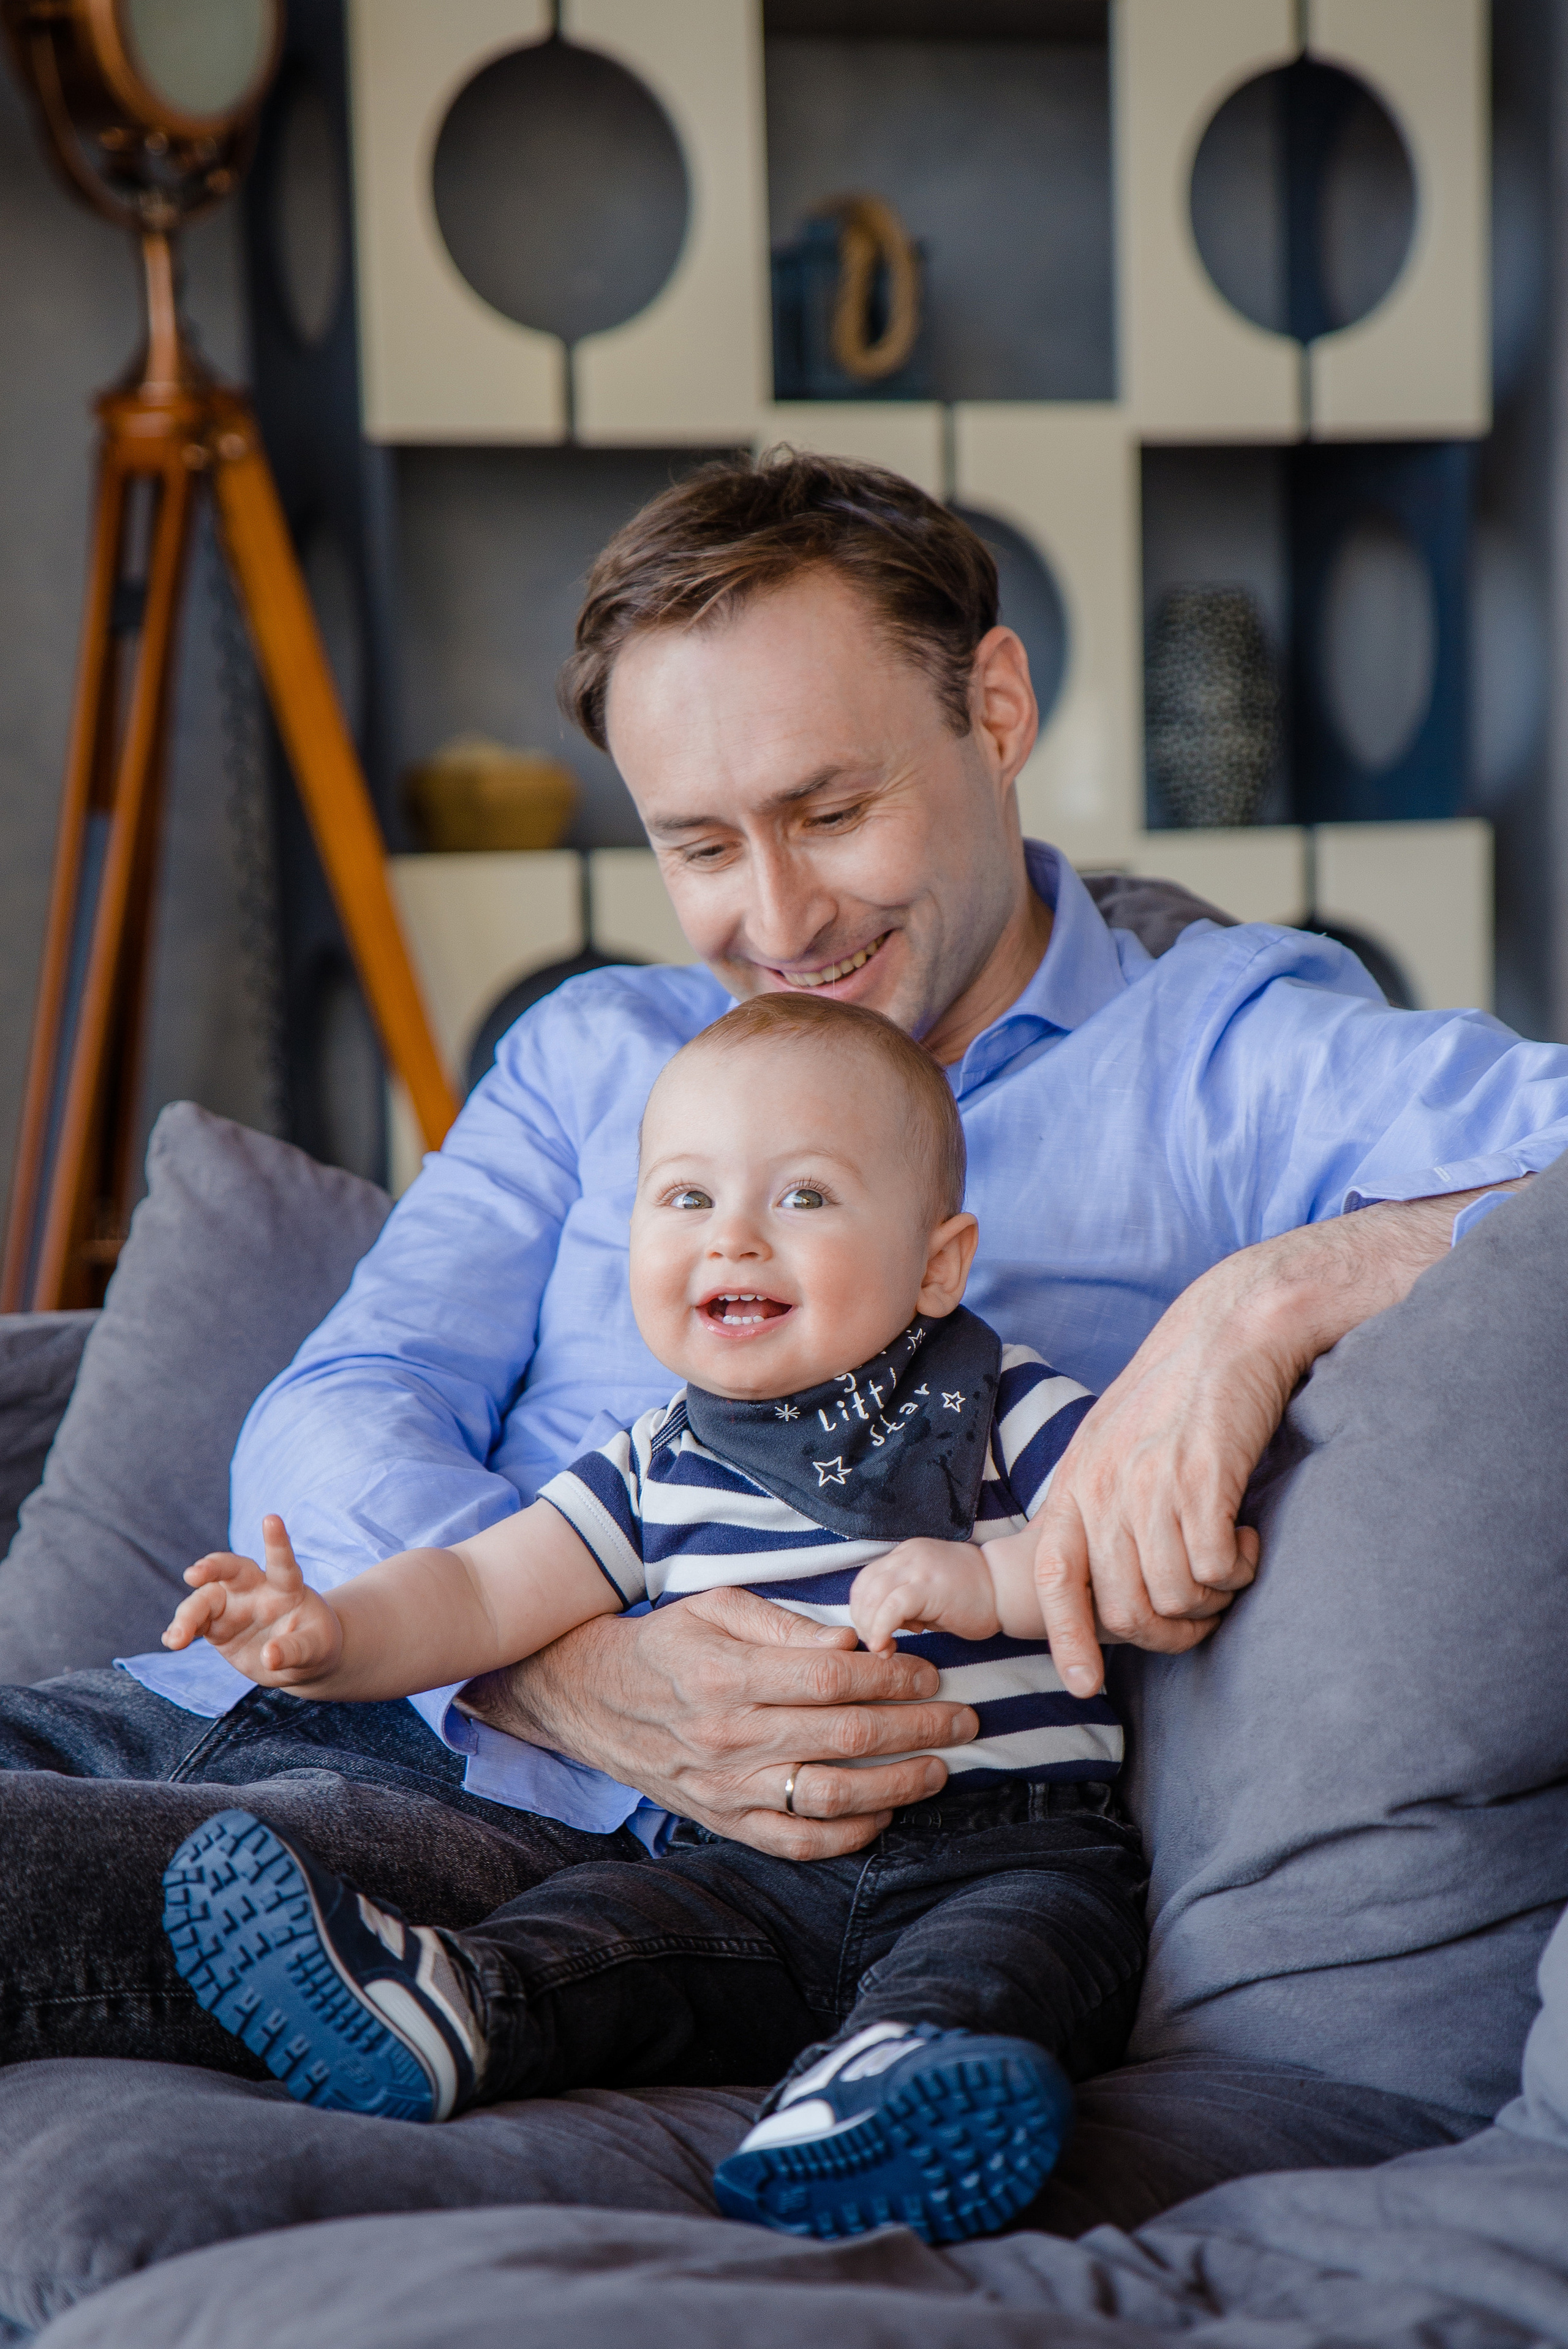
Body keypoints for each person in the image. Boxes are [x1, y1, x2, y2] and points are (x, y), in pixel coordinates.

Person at [2, 450, 1567, 2227]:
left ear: (993, 706)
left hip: (579, 1858)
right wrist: (556, 1658)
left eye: (829, 810)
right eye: (699, 845)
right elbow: (346, 1398)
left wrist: (1272, 1295)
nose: (778, 918)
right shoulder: (601, 1050)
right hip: (313, 1681)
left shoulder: (1217, 1060)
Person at [158, 995, 1148, 2247]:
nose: (731, 1237)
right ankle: (447, 2004)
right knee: (613, 1940)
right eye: (684, 1199)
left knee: (1021, 1961)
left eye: (800, 1199)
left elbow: (1131, 1551)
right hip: (745, 1873)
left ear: (935, 1262)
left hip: (1004, 1853)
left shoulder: (1001, 1402)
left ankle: (876, 2099)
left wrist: (990, 1587)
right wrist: (331, 1634)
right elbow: (474, 1593)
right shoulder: (649, 1465)